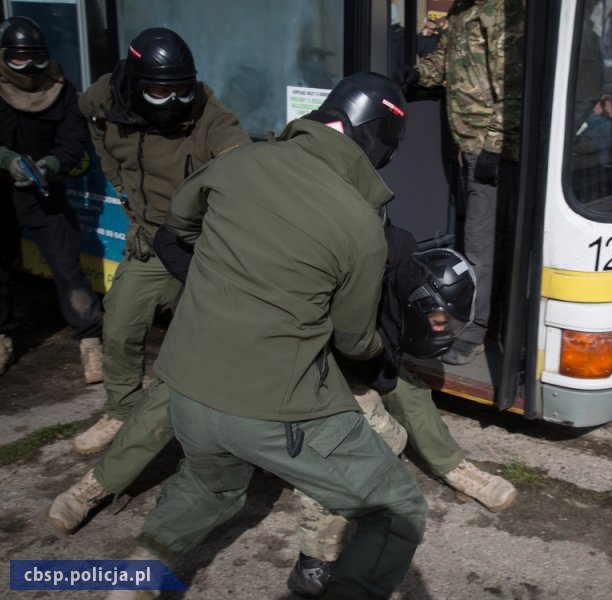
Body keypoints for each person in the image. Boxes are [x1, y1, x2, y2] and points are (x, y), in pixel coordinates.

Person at [104, 72, 426, 600]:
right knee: (398, 510)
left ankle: (131, 582)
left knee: (209, 486)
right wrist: (382, 362)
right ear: (374, 140)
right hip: (273, 407)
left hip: (186, 389)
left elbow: (180, 230)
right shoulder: (362, 226)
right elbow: (352, 339)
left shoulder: (236, 162)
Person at [289, 228, 517, 598]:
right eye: (441, 321)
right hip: (301, 361)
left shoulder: (396, 246)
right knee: (338, 445)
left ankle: (453, 466)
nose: (443, 330)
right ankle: (315, 559)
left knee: (406, 390)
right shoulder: (332, 263)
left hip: (350, 349)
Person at [68, 28, 251, 459]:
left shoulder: (208, 113)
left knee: (225, 336)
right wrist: (126, 197)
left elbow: (237, 155)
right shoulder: (104, 100)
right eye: (159, 90)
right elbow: (95, 131)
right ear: (133, 82)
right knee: (120, 325)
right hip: (152, 238)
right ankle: (120, 411)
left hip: (203, 243)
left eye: (181, 89)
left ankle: (233, 425)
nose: (173, 100)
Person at [395, 0, 526, 365]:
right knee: (486, 236)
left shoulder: (503, 10)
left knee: (481, 243)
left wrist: (496, 145)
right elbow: (448, 62)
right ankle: (490, 316)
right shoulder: (462, 11)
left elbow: (514, 83)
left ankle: (474, 330)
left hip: (489, 146)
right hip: (468, 143)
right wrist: (419, 74)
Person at [0, 16, 103, 381]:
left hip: (45, 192)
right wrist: (7, 160)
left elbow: (75, 142)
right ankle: (3, 336)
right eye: (19, 59)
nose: (29, 68)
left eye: (36, 58)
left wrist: (53, 163)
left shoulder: (62, 90)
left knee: (68, 268)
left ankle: (90, 343)